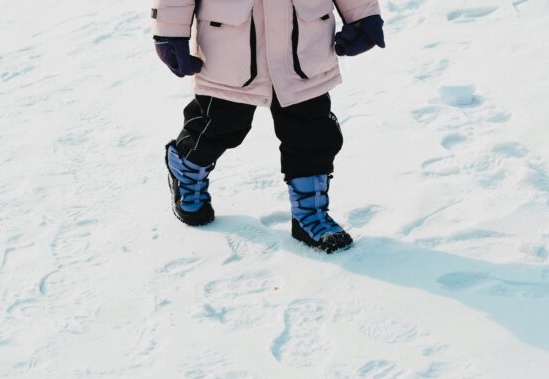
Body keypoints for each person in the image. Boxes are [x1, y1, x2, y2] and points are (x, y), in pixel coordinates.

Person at [152, 0, 385, 253]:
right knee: (218, 125)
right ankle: (186, 167)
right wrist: (169, 30)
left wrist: (363, 13)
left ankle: (310, 213)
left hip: (303, 44)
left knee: (312, 133)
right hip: (230, 46)